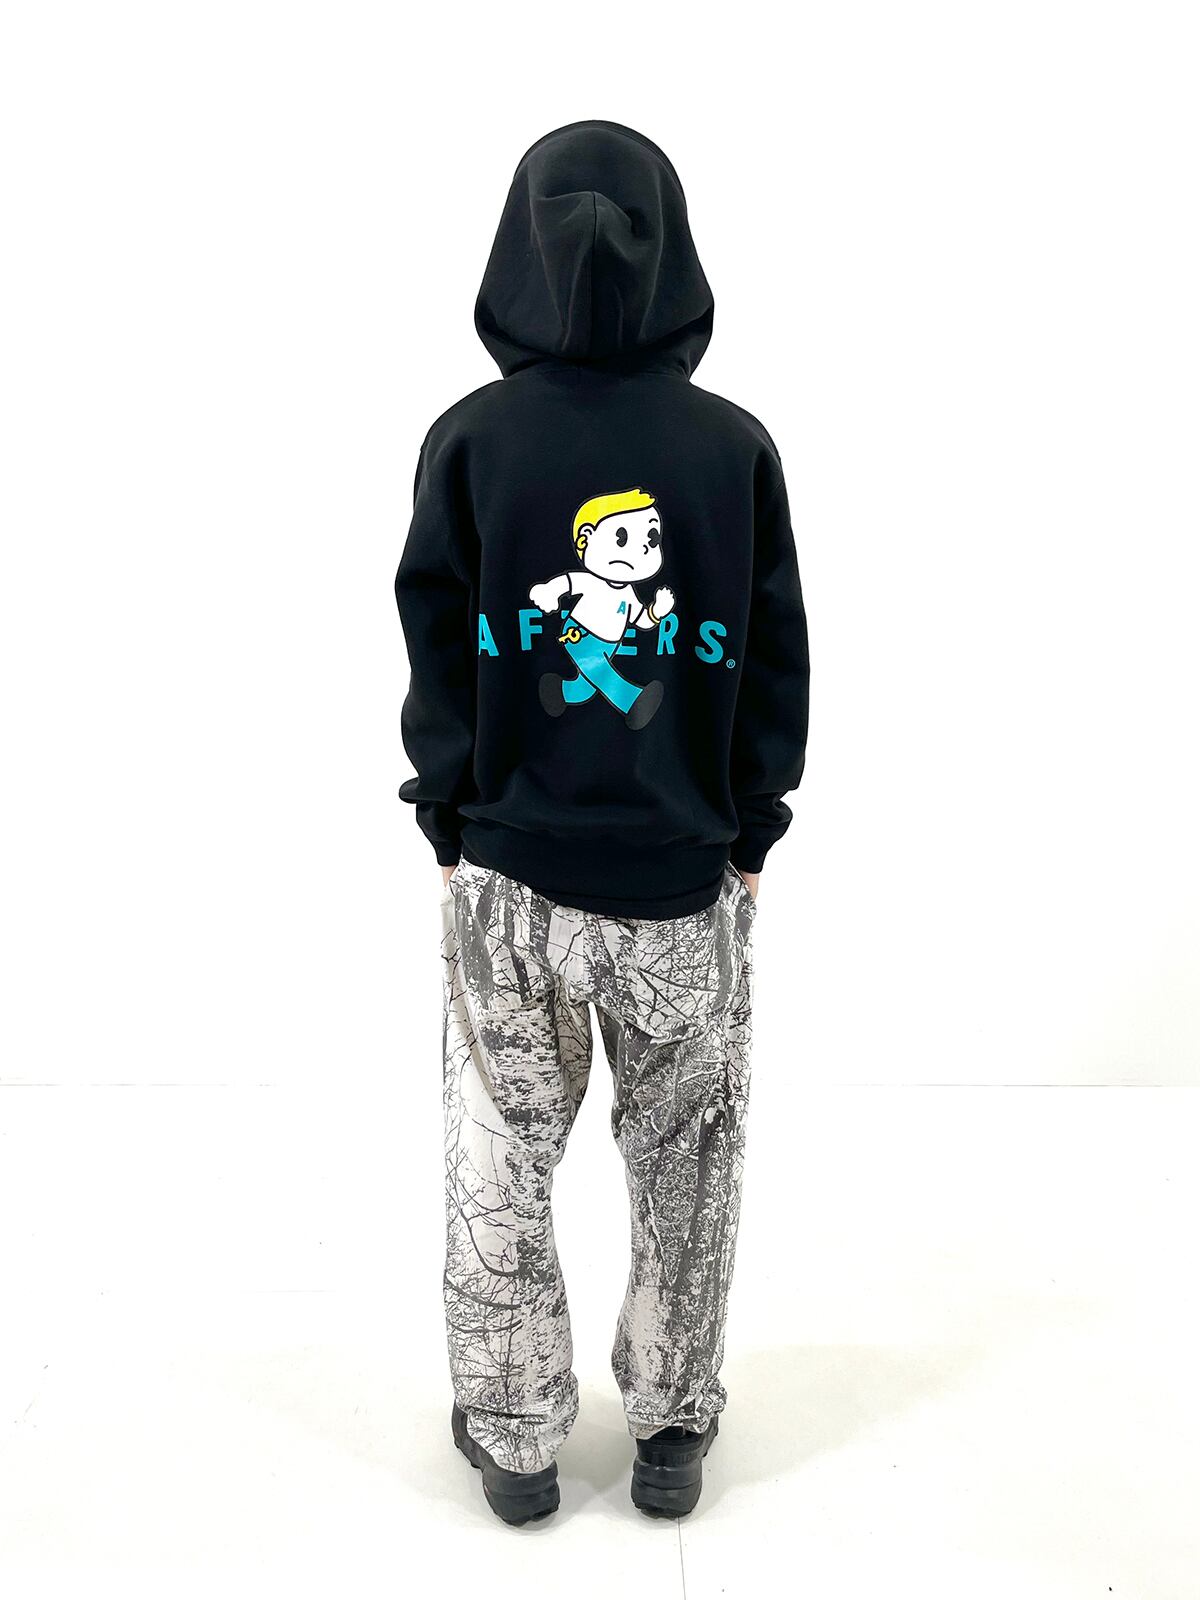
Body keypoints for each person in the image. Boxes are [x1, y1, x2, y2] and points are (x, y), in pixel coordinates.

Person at [395, 121, 809, 1524]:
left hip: (508, 884)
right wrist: (752, 826)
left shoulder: (470, 440)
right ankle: (672, 1437)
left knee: (499, 1163)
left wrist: (447, 811)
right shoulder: (732, 449)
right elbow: (773, 651)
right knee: (688, 1166)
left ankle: (516, 1447)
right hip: (686, 889)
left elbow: (436, 642)